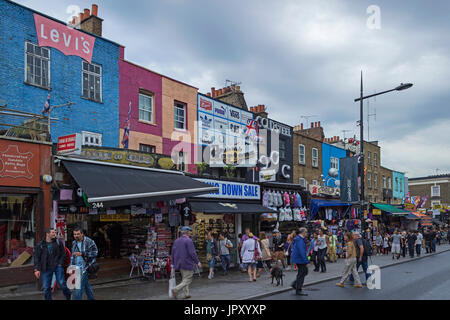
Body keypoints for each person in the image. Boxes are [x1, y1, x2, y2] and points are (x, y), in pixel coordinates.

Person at [34, 228, 72, 300]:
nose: (55, 234)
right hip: (46, 267)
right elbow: (36, 258)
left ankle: (68, 296)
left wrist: (60, 263)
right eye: (53, 233)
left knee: (62, 284)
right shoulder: (40, 245)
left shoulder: (58, 242)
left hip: (57, 266)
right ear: (47, 234)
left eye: (55, 232)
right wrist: (36, 269)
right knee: (46, 287)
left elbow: (63, 254)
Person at [171, 226, 201, 299]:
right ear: (187, 232)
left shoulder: (176, 241)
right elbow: (192, 253)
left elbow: (173, 253)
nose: (190, 233)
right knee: (188, 279)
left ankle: (186, 294)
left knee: (184, 278)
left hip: (179, 263)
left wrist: (173, 264)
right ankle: (175, 289)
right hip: (187, 262)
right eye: (190, 232)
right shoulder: (188, 240)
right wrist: (198, 262)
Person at [70, 227, 98, 300]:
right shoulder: (74, 243)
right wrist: (71, 267)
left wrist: (82, 254)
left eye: (78, 234)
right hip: (76, 267)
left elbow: (95, 253)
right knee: (86, 286)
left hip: (85, 267)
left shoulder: (89, 241)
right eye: (75, 234)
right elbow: (72, 256)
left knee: (77, 289)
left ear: (82, 234)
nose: (76, 236)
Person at [290, 227, 310, 296]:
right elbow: (302, 251)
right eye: (306, 232)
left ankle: (295, 284)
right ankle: (298, 289)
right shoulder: (300, 240)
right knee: (302, 273)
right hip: (300, 259)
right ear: (303, 232)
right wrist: (306, 261)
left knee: (303, 272)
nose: (307, 233)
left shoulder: (298, 239)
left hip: (298, 258)